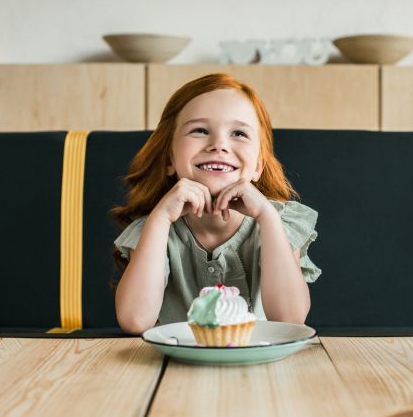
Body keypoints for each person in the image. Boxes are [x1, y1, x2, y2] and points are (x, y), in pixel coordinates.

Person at [111, 73, 321, 334]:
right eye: (199, 130)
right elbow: (134, 321)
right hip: (178, 368)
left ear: (257, 166)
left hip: (258, 368)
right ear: (169, 160)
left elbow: (290, 320)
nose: (219, 144)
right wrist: (160, 218)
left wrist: (267, 217)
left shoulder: (277, 223)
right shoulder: (155, 227)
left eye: (239, 133)